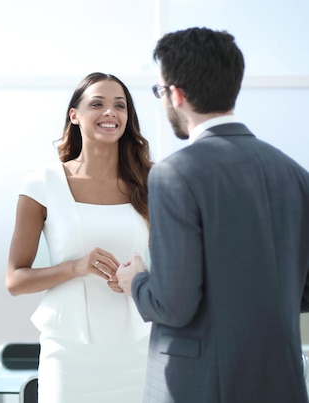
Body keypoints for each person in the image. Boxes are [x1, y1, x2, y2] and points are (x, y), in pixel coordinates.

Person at [116, 27, 309, 403]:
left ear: (177, 93)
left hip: (200, 385)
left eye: (160, 92)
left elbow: (173, 304)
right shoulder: (295, 174)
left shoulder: (175, 174)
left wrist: (136, 280)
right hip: (283, 382)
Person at [6, 72, 153, 402]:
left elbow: (177, 268)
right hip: (68, 352)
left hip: (137, 349)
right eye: (97, 104)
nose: (110, 113)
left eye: (120, 105)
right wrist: (77, 267)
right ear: (74, 115)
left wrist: (143, 278)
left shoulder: (151, 182)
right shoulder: (43, 181)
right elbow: (15, 279)